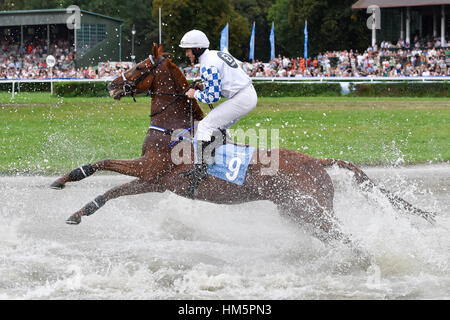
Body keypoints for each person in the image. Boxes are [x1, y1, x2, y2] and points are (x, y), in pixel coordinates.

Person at [178, 29, 258, 197]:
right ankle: (219, 162)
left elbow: (212, 97)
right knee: (216, 128)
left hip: (242, 97)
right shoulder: (213, 55)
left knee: (206, 125)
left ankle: (199, 169)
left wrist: (195, 94)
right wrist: (203, 88)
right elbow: (221, 87)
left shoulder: (208, 64)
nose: (187, 54)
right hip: (245, 95)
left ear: (197, 49)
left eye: (188, 50)